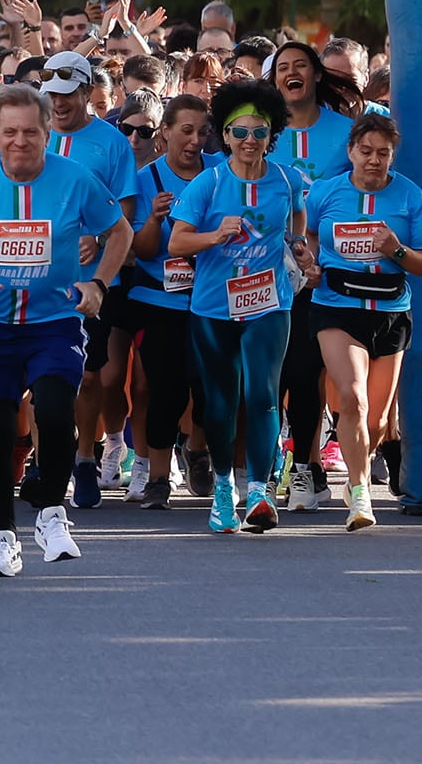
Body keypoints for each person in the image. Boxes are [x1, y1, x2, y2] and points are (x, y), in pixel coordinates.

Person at [0, 84, 132, 577]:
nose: (19, 141)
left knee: (53, 406)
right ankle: (2, 537)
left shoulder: (76, 178)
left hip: (54, 320)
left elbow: (121, 231)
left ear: (47, 133)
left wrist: (99, 284)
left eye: (29, 132)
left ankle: (50, 512)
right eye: (9, 132)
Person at [169, 78, 315, 534]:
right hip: (213, 306)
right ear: (225, 135)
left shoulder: (288, 179)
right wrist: (215, 235)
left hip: (270, 300)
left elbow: (297, 220)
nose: (249, 141)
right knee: (220, 401)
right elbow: (177, 242)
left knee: (263, 394)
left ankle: (259, 492)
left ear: (272, 136)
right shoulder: (209, 182)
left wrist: (299, 248)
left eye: (259, 132)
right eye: (239, 132)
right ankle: (221, 489)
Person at [307, 113, 422, 529]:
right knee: (353, 398)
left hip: (390, 310)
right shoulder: (325, 193)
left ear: (392, 156)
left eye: (383, 153)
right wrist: (308, 261)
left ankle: (360, 467)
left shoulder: (410, 197)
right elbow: (304, 235)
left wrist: (396, 250)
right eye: (366, 151)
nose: (374, 160)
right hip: (336, 307)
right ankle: (360, 494)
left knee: (377, 419)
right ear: (351, 152)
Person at [37, 50, 140, 506]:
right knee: (40, 376)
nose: (58, 103)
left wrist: (98, 241)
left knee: (90, 377)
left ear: (85, 91)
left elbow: (128, 213)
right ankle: (46, 464)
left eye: (66, 94)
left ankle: (83, 459)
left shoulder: (111, 142)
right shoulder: (31, 135)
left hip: (92, 281)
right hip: (35, 277)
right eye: (51, 95)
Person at [266, 41, 358, 509]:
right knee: (271, 375)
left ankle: (304, 468)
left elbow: (365, 193)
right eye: (283, 67)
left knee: (306, 373)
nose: (292, 73)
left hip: (324, 272)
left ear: (318, 75)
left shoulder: (346, 132)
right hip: (267, 271)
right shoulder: (261, 132)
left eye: (301, 65)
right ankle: (260, 472)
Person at [124, 94, 211, 506]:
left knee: (210, 387)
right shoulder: (146, 180)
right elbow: (140, 251)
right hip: (159, 298)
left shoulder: (220, 174)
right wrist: (156, 220)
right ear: (165, 135)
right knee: (165, 391)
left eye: (202, 132)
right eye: (186, 131)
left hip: (212, 299)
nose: (194, 141)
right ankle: (158, 477)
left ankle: (197, 447)